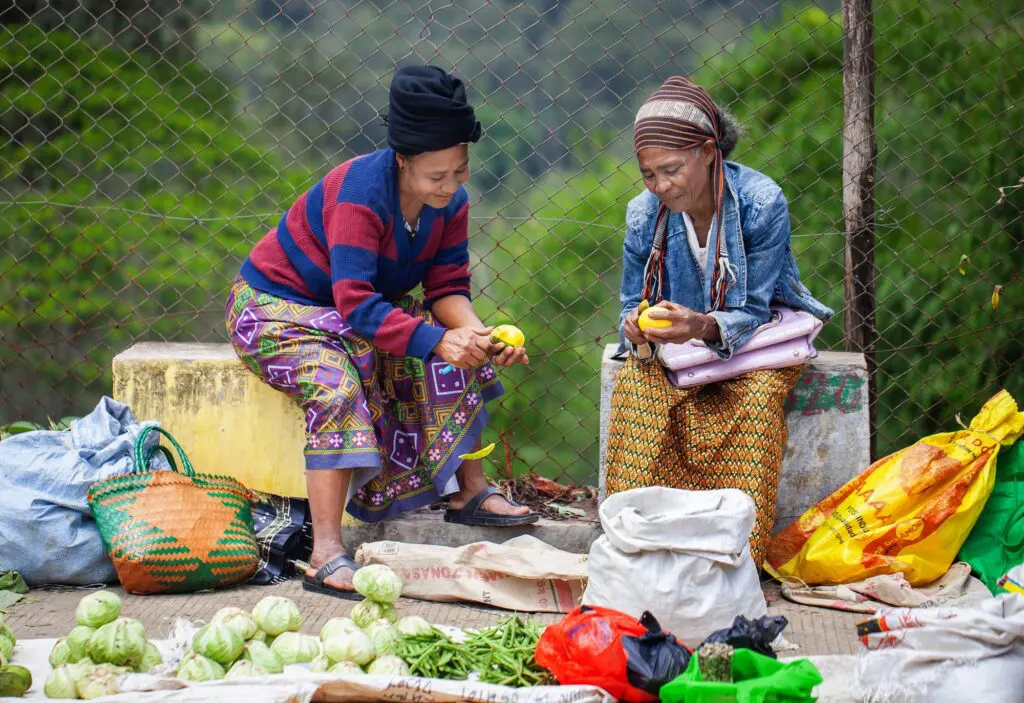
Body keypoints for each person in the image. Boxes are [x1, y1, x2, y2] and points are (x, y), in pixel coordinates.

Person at [226, 65, 536, 599]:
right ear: (401, 162)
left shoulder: (451, 204)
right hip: (276, 311)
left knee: (457, 350)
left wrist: (478, 337)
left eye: (459, 172)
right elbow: (356, 302)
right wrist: (439, 339)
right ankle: (325, 552)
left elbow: (446, 287)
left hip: (353, 314)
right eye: (436, 177)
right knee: (336, 384)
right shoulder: (359, 197)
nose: (450, 186)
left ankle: (471, 496)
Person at [604, 77, 833, 564]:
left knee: (755, 402)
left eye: (670, 170)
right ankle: (637, 551)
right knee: (637, 392)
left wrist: (703, 326)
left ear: (708, 152)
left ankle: (733, 559)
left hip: (751, 342)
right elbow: (630, 303)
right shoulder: (644, 215)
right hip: (676, 347)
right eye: (648, 175)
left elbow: (751, 309)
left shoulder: (760, 202)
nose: (661, 186)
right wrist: (636, 326)